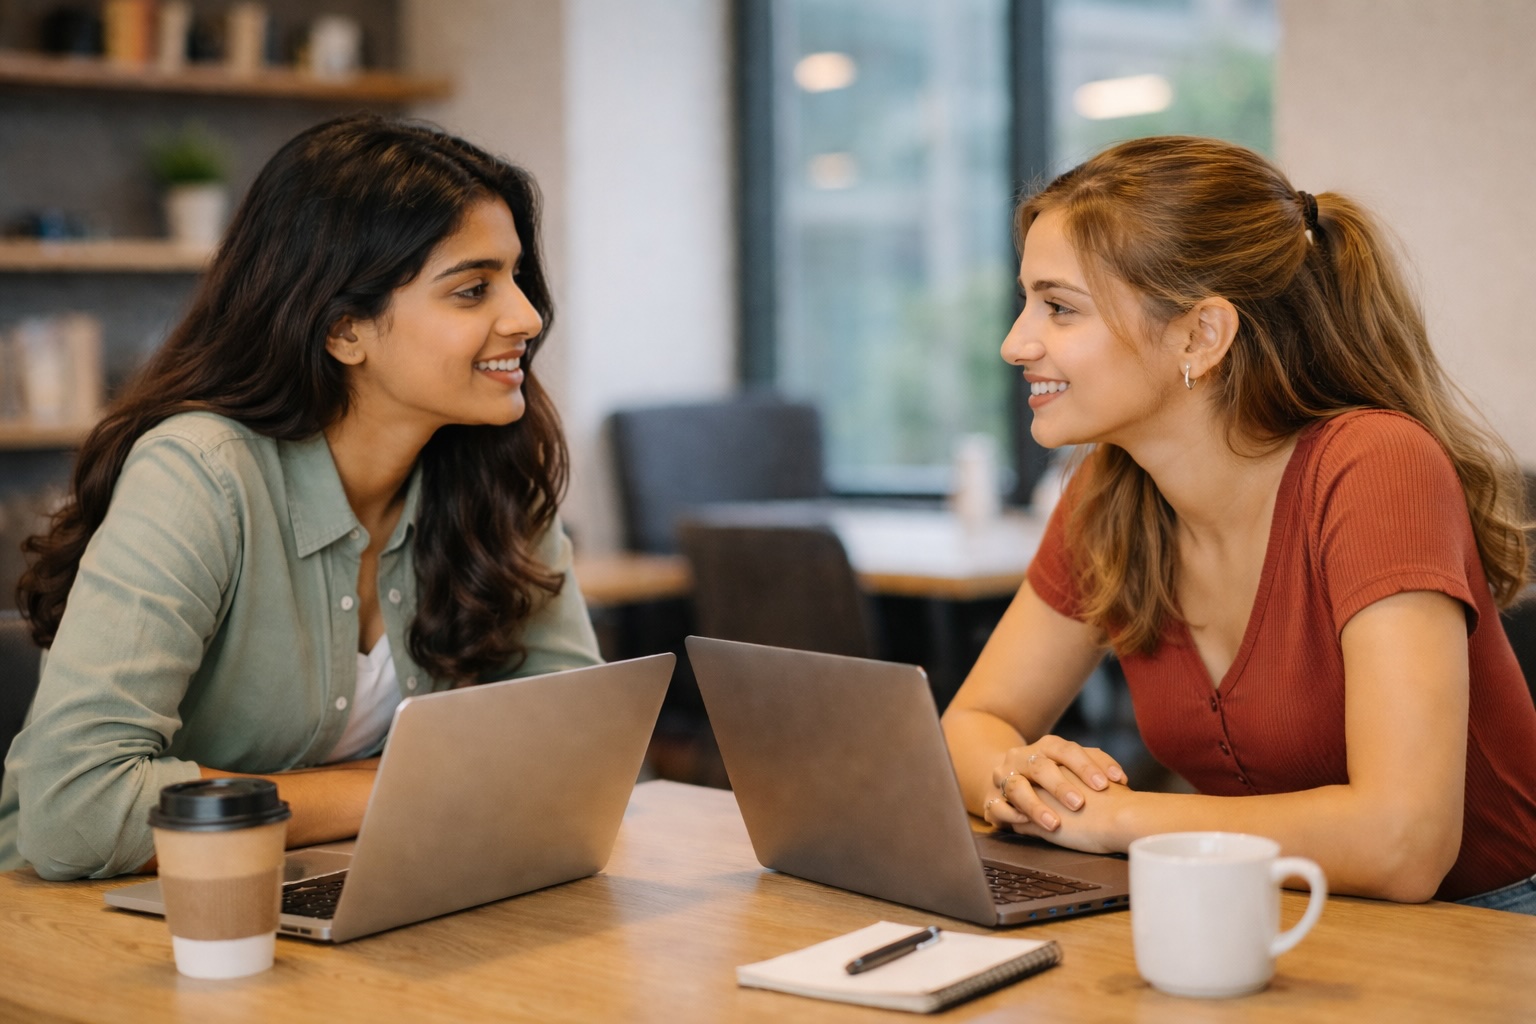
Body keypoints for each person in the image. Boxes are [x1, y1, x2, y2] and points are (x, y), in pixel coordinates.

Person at [941, 136, 1536, 913]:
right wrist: (1023, 781)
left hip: (1485, 932)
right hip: (1274, 911)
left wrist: (1114, 818)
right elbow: (972, 725)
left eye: (1059, 307)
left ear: (1200, 335)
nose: (1016, 343)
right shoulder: (1108, 491)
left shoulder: (1376, 466)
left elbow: (1404, 845)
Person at [1, 114, 602, 880]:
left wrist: (378, 801)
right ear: (345, 329)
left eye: (517, 278)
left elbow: (576, 752)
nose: (526, 317)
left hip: (345, 883)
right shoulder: (201, 475)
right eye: (473, 289)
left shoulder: (496, 474)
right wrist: (388, 788)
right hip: (88, 919)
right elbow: (76, 811)